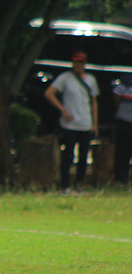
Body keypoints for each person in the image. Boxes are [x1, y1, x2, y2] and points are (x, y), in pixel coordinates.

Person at [44, 51, 99, 193]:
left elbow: (94, 102)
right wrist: (62, 109)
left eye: (81, 62)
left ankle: (79, 184)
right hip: (70, 124)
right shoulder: (65, 78)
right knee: (68, 156)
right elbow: (49, 93)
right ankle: (65, 185)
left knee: (83, 157)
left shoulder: (91, 80)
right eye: (76, 62)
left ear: (85, 64)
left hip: (85, 123)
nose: (79, 65)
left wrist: (94, 123)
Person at [112, 73, 132, 185]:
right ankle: (120, 179)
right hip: (124, 121)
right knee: (123, 151)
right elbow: (116, 94)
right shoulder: (127, 80)